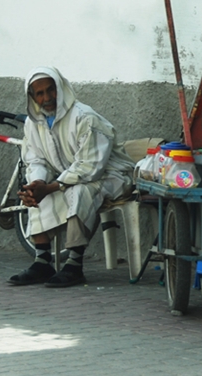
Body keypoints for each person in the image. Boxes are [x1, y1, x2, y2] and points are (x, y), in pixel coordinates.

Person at [8, 67, 134, 288]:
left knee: (79, 191)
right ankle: (42, 261)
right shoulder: (33, 123)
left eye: (51, 90)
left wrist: (50, 186)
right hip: (73, 175)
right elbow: (35, 160)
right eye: (40, 94)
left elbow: (90, 166)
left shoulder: (84, 117)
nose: (47, 98)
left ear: (60, 88)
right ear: (32, 97)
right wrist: (37, 184)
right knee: (35, 193)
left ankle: (75, 265)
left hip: (112, 177)